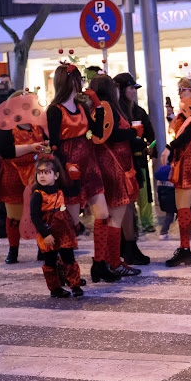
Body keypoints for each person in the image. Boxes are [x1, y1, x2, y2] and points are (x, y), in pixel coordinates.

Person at [46, 63, 120, 283]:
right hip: (69, 168)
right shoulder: (55, 110)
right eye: (78, 79)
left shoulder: (82, 106)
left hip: (89, 163)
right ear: (69, 81)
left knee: (103, 214)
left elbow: (96, 133)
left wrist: (97, 106)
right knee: (70, 222)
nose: (81, 83)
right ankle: (65, 268)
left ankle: (100, 264)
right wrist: (66, 165)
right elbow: (55, 144)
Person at [89, 74, 143, 276]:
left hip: (105, 164)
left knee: (108, 217)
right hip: (115, 165)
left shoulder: (95, 108)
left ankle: (106, 262)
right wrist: (133, 133)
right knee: (114, 218)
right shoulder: (107, 107)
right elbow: (110, 135)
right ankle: (113, 262)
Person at [160, 76, 191, 267]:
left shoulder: (189, 107)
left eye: (184, 88)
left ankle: (185, 248)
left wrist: (169, 147)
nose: (180, 92)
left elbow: (188, 132)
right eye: (179, 88)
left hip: (188, 159)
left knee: (183, 206)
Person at [0, 91, 47, 263]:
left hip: (36, 174)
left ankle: (42, 247)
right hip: (13, 174)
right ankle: (13, 249)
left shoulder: (38, 126)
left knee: (39, 213)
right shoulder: (6, 127)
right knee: (13, 216)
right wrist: (33, 147)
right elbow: (7, 152)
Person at [30, 154, 84, 298]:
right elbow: (35, 217)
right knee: (50, 260)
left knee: (69, 257)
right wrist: (45, 234)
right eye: (39, 172)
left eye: (47, 172)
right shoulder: (37, 194)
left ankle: (75, 284)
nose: (42, 175)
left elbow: (75, 191)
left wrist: (76, 177)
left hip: (64, 229)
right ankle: (55, 289)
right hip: (48, 230)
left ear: (56, 175)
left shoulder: (60, 190)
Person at [114, 72, 156, 235]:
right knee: (128, 195)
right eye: (131, 88)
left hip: (139, 159)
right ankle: (133, 224)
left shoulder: (139, 111)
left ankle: (146, 222)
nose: (134, 91)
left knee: (144, 192)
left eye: (135, 88)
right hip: (124, 161)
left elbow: (151, 133)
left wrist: (151, 146)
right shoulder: (117, 113)